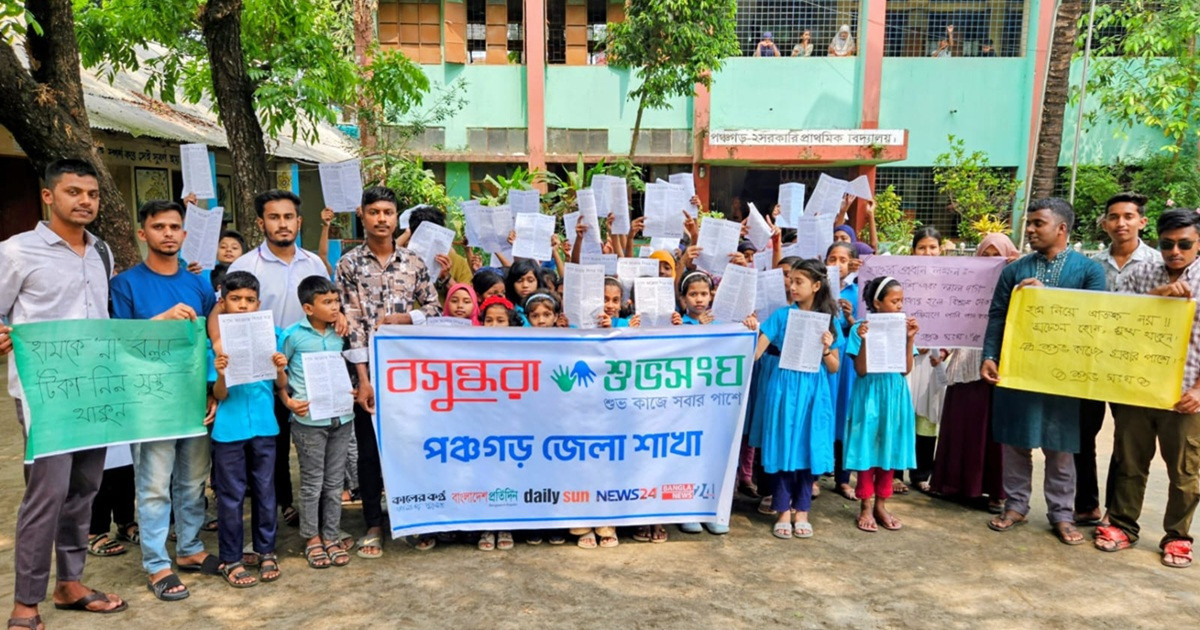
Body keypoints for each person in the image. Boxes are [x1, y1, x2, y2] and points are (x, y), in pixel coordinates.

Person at [0, 159, 128, 627]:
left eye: (91, 194)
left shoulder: (101, 253)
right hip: (46, 394)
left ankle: (70, 583)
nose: (85, 201)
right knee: (46, 494)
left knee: (84, 490)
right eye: (74, 192)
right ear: (49, 196)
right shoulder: (16, 252)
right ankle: (25, 603)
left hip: (95, 390)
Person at [108, 199, 219, 599]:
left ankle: (189, 548)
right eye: (159, 227)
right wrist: (160, 322)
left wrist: (212, 388)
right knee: (154, 484)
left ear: (185, 235)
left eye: (175, 227)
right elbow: (118, 345)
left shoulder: (198, 281)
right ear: (144, 234)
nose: (168, 233)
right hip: (150, 400)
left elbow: (210, 333)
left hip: (192, 397)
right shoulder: (125, 284)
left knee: (192, 482)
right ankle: (156, 563)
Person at [981, 198, 1106, 545]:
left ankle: (1062, 514)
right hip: (1018, 368)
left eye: (1038, 223)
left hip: (1063, 373)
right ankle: (1016, 506)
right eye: (1030, 223)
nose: (1030, 230)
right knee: (1015, 439)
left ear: (1061, 229)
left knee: (1060, 445)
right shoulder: (1015, 270)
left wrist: (1047, 295)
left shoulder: (1089, 270)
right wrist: (990, 355)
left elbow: (1096, 316)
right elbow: (997, 316)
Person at [336, 186, 441, 559]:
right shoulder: (348, 265)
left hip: (409, 376)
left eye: (388, 212)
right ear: (362, 215)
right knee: (368, 452)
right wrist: (363, 379)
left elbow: (434, 310)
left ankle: (410, 517)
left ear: (397, 218)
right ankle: (373, 524)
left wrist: (406, 318)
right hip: (366, 375)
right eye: (374, 212)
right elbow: (350, 322)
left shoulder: (414, 262)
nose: (382, 219)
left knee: (410, 447)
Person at [225, 189, 335, 533]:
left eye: (288, 217)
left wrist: (339, 316)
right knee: (270, 445)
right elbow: (225, 313)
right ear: (261, 223)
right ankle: (278, 506)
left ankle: (311, 510)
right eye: (274, 217)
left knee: (309, 439)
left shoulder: (314, 263)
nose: (282, 224)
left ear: (299, 222)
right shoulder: (244, 265)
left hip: (306, 369)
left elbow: (327, 305)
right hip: (261, 369)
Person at [1095, 209, 1200, 568]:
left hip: (1187, 395)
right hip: (1138, 388)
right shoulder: (1142, 273)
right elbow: (1115, 320)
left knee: (1184, 472)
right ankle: (1123, 525)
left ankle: (1178, 537)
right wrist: (1157, 297)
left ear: (1197, 244)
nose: (1175, 251)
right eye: (1167, 243)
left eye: (1184, 244)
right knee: (1130, 462)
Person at [1078, 193, 1161, 525]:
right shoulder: (1092, 264)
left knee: (1127, 441)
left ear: (1142, 221)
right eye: (1113, 217)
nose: (1121, 223)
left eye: (1128, 216)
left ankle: (1116, 511)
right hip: (1091, 364)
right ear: (1104, 223)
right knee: (1082, 435)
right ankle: (1086, 504)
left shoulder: (1160, 263)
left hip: (1134, 367)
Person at [930, 233, 1019, 511]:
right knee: (960, 426)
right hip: (964, 362)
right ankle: (953, 485)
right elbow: (950, 317)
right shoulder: (965, 285)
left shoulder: (1017, 289)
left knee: (991, 431)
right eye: (985, 255)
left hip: (997, 366)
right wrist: (942, 350)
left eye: (997, 255)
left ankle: (995, 492)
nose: (991, 261)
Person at [754, 259, 841, 539]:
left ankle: (802, 510)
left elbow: (835, 366)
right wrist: (750, 329)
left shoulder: (829, 320)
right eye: (790, 280)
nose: (792, 286)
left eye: (799, 282)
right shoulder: (781, 316)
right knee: (782, 446)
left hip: (814, 389)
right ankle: (782, 511)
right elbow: (756, 352)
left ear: (816, 286)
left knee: (808, 446)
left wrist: (827, 349)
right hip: (783, 388)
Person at [211, 271, 286, 587]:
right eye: (236, 299)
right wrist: (222, 373)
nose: (243, 305)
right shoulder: (215, 344)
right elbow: (218, 395)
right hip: (228, 429)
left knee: (266, 490)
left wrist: (280, 368)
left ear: (258, 303)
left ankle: (266, 550)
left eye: (249, 300)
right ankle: (231, 558)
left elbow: (281, 385)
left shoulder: (273, 334)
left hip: (265, 426)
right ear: (223, 303)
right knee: (230, 495)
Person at [281, 275, 357, 570]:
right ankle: (312, 537)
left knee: (335, 481)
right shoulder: (293, 335)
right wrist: (287, 399)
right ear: (308, 308)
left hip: (342, 415)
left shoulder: (343, 332)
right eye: (327, 302)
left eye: (337, 301)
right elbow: (280, 370)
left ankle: (332, 534)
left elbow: (354, 362)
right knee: (312, 482)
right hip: (309, 420)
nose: (335, 306)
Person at [845, 277, 919, 532]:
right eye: (894, 300)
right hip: (870, 393)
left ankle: (882, 504)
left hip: (895, 393)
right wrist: (865, 339)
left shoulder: (903, 327)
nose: (900, 306)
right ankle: (865, 505)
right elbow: (861, 370)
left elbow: (905, 370)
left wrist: (910, 339)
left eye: (901, 301)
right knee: (867, 445)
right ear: (877, 302)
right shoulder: (859, 329)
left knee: (889, 447)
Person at [906, 228, 948, 493]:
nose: (928, 253)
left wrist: (943, 351)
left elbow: (958, 319)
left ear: (941, 250)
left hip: (934, 360)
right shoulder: (902, 280)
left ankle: (922, 472)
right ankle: (896, 472)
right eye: (922, 247)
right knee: (903, 413)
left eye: (933, 247)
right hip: (907, 355)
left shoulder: (950, 282)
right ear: (913, 251)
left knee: (927, 417)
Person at [826, 242, 861, 500]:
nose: (836, 264)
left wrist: (850, 319)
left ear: (851, 265)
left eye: (842, 259)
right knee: (822, 413)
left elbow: (864, 328)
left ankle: (842, 478)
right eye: (832, 258)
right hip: (825, 360)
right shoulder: (817, 290)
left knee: (845, 417)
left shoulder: (857, 293)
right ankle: (815, 475)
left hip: (847, 361)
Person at [506, 258, 546, 324]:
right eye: (519, 281)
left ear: (538, 281)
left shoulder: (548, 307)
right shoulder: (507, 310)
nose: (525, 285)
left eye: (530, 280)